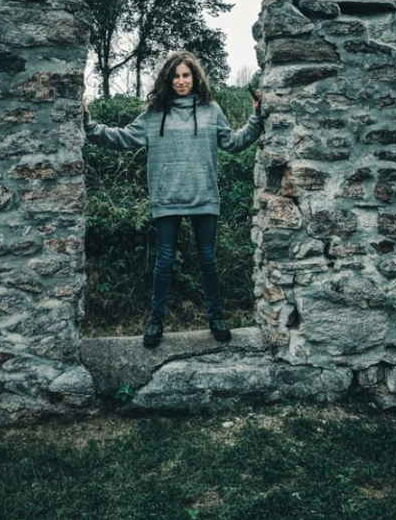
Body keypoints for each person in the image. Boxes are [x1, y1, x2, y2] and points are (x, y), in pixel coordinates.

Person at [82, 51, 263, 348]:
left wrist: (257, 117)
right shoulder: (155, 113)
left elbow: (233, 142)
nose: (181, 81)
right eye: (176, 76)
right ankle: (156, 321)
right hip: (166, 197)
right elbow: (122, 137)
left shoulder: (210, 110)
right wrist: (88, 125)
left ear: (195, 78)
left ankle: (216, 317)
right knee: (164, 261)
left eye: (186, 75)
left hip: (204, 196)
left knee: (208, 259)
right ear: (169, 79)